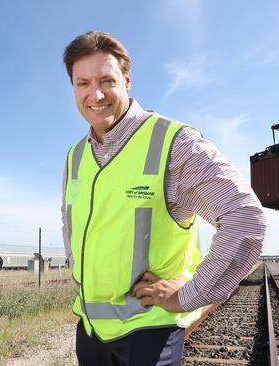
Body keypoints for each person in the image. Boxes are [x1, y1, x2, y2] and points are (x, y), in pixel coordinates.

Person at [61, 31, 266, 366]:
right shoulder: (75, 156)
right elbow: (68, 213)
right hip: (91, 329)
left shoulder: (173, 144)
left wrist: (189, 295)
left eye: (106, 80)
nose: (94, 94)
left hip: (149, 329)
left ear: (126, 82)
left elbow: (245, 220)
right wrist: (75, 264)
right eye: (82, 83)